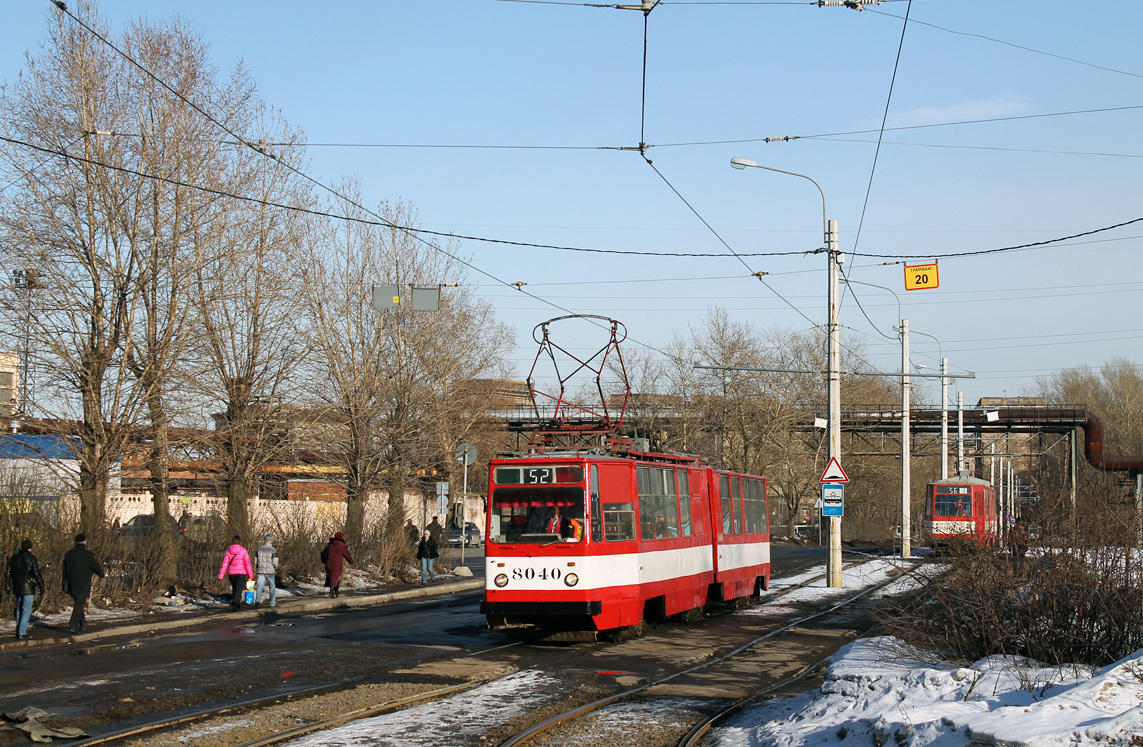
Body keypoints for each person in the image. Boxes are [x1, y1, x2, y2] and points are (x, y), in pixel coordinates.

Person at [62, 533, 105, 635]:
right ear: (85, 542)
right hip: (83, 583)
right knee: (79, 604)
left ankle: (83, 623)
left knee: (78, 602)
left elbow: (64, 570)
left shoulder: (68, 554)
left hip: (72, 583)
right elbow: (95, 567)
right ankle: (73, 625)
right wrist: (101, 575)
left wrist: (64, 582)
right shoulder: (88, 555)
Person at [6, 539, 44, 639]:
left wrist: (8, 585)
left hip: (17, 586)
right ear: (30, 548)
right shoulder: (32, 558)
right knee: (26, 609)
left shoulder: (14, 558)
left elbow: (8, 573)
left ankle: (18, 630)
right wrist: (41, 585)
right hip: (28, 588)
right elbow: (36, 573)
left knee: (19, 608)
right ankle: (22, 631)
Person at [217, 535, 253, 611]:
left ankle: (236, 602)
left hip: (232, 573)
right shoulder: (243, 551)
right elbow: (247, 563)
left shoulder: (228, 551)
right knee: (238, 590)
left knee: (235, 588)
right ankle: (235, 603)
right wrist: (250, 575)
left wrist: (221, 575)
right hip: (241, 573)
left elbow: (225, 564)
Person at [322, 531, 353, 599]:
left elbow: (325, 552)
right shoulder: (342, 545)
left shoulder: (330, 544)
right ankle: (332, 590)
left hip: (329, 562)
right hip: (337, 564)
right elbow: (347, 555)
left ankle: (336, 590)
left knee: (332, 576)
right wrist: (351, 562)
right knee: (335, 577)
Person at [253, 534, 279, 608]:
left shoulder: (259, 549)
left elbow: (255, 560)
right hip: (270, 571)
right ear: (271, 540)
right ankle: (272, 602)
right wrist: (276, 567)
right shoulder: (273, 550)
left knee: (260, 586)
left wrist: (257, 566)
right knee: (272, 587)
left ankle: (258, 600)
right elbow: (275, 561)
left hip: (261, 570)